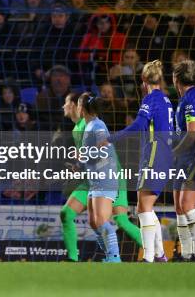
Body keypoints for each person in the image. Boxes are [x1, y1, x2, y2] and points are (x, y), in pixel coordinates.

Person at [60, 92, 142, 262]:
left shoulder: (92, 125)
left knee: (120, 221)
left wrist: (83, 156)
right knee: (70, 214)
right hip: (90, 180)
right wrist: (78, 166)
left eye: (66, 103)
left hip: (110, 177)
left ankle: (153, 252)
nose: (63, 106)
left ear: (78, 106)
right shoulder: (79, 128)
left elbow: (101, 152)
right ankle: (74, 259)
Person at [105, 60, 173, 263]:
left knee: (143, 208)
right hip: (163, 155)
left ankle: (150, 257)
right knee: (146, 207)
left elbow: (139, 124)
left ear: (144, 81)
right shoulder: (167, 100)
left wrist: (112, 138)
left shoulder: (150, 99)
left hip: (154, 154)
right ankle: (159, 255)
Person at [172, 60, 195, 262]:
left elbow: (193, 133)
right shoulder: (186, 98)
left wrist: (174, 152)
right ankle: (186, 254)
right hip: (184, 157)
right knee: (178, 207)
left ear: (176, 78)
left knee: (186, 205)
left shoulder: (191, 99)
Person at [76, 92, 122, 262]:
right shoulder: (89, 126)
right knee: (94, 222)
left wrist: (84, 155)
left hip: (105, 178)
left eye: (78, 105)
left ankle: (115, 258)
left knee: (101, 220)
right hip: (94, 180)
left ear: (82, 108)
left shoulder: (98, 125)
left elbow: (103, 150)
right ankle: (108, 256)